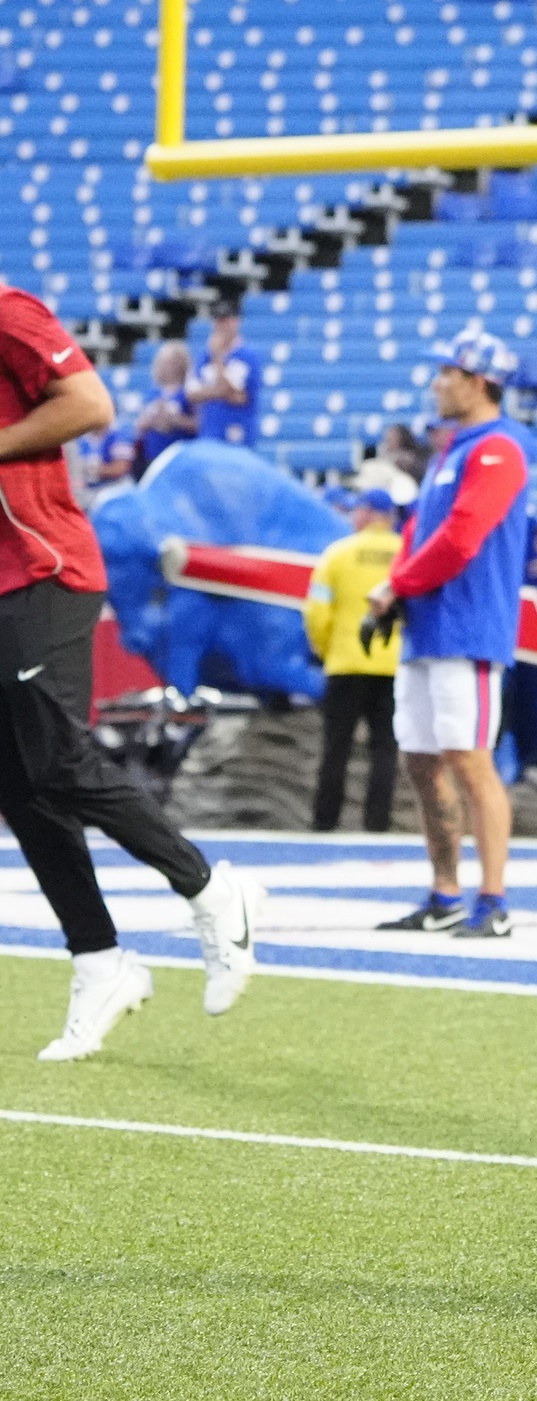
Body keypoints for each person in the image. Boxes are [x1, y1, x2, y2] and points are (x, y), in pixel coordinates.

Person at [0, 286, 265, 1061]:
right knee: (18, 784)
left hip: (43, 566)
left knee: (57, 758)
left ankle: (212, 889)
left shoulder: (8, 312)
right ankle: (100, 958)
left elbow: (89, 403)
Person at [366, 330, 534, 939]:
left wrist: (395, 587)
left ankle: (494, 899)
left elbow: (462, 537)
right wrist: (398, 587)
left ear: (479, 381)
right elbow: (420, 533)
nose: (438, 383)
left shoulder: (499, 448)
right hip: (428, 626)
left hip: (467, 625)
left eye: (448, 372)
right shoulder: (453, 451)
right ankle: (446, 892)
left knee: (469, 757)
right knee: (420, 758)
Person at [304, 488, 402, 833]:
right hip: (392, 666)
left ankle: (325, 822)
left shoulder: (338, 554)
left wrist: (325, 648)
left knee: (335, 749)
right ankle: (377, 826)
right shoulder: (406, 555)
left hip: (345, 663)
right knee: (385, 750)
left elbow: (317, 611)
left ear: (365, 513)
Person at [185, 301, 263, 447]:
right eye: (218, 320)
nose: (221, 325)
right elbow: (191, 394)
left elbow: (239, 397)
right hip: (209, 434)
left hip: (236, 435)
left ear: (236, 322)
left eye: (226, 320)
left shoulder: (247, 356)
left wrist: (218, 359)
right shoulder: (203, 357)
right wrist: (221, 392)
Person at [133, 342, 196, 468]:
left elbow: (197, 424)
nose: (169, 367)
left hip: (178, 455)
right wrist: (150, 422)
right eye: (166, 362)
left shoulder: (188, 392)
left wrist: (174, 420)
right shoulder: (152, 394)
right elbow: (139, 425)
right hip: (152, 455)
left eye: (173, 362)